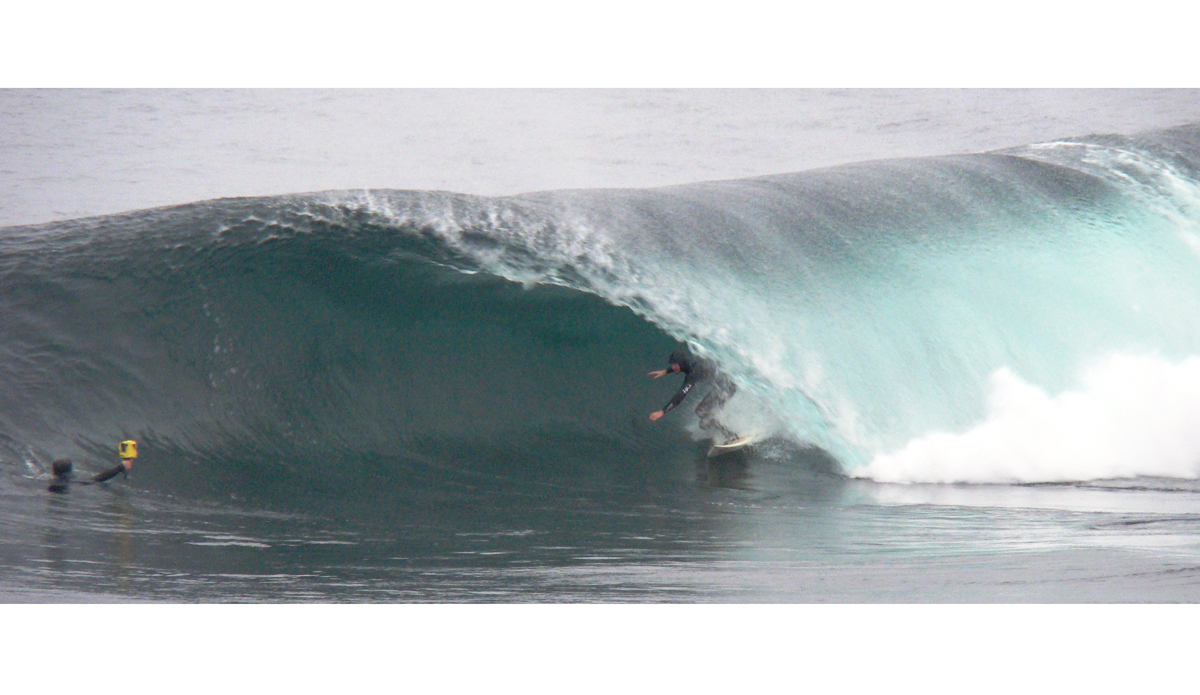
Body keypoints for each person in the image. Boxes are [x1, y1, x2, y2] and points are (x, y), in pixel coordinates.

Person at [648, 350, 739, 442]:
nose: (673, 367)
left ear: (681, 363)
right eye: (672, 365)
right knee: (703, 422)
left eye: (675, 365)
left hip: (726, 388)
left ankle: (731, 435)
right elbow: (682, 367)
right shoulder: (690, 363)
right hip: (727, 385)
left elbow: (680, 395)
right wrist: (666, 371)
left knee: (701, 413)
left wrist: (662, 411)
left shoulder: (692, 374)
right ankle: (727, 432)